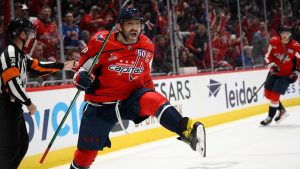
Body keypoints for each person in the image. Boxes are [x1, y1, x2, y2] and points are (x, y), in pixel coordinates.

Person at [71, 8, 206, 169]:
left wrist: (153, 98)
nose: (135, 28)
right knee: (85, 156)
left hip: (130, 99)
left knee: (154, 99)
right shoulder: (100, 41)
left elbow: (145, 76)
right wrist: (80, 78)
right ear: (120, 26)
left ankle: (186, 131)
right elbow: (80, 71)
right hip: (100, 105)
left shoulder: (147, 45)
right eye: (130, 24)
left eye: (138, 24)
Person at [0, 18, 76, 169]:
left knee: (21, 146)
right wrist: (28, 103)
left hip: (13, 107)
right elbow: (11, 84)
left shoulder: (20, 54)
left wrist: (62, 65)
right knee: (9, 151)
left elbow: (38, 66)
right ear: (21, 34)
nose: (31, 37)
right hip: (5, 106)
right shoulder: (9, 53)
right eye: (28, 33)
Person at [260, 25, 300, 126]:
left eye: (287, 33)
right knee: (268, 94)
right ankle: (282, 111)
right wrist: (271, 65)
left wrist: (296, 72)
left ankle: (269, 118)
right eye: (283, 33)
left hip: (286, 75)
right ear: (280, 34)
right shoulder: (273, 42)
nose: (285, 35)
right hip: (274, 72)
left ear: (290, 34)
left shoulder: (295, 46)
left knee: (274, 97)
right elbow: (267, 56)